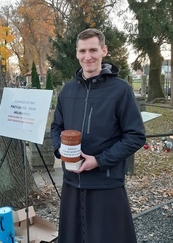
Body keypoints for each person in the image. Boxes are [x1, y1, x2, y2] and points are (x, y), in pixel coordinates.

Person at [50, 28, 146, 243]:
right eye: (82, 51)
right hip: (72, 181)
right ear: (77, 53)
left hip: (106, 182)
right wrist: (60, 149)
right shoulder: (67, 90)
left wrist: (99, 161)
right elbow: (56, 127)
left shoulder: (121, 90)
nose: (88, 56)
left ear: (104, 51)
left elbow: (136, 135)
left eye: (93, 50)